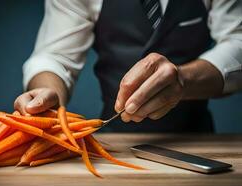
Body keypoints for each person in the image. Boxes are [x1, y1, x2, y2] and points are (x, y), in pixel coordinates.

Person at [14, 0, 242, 132]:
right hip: (114, 141)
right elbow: (55, 57)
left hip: (197, 139)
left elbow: (238, 41)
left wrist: (182, 79)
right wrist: (46, 94)